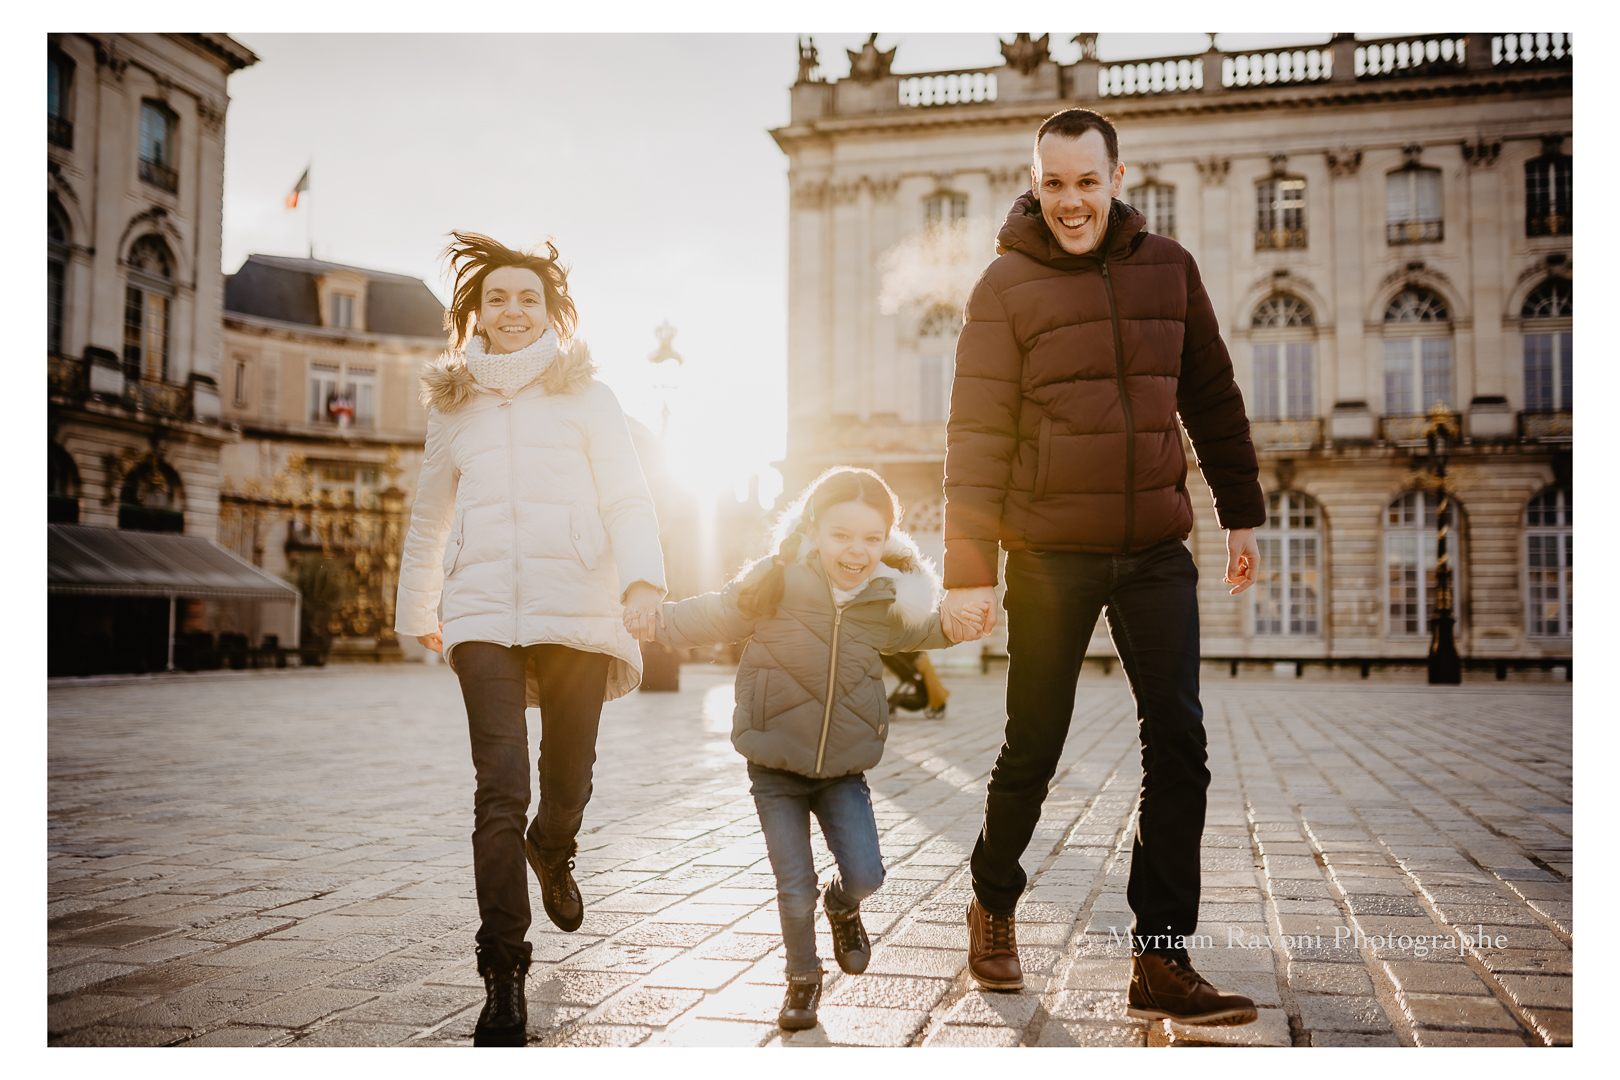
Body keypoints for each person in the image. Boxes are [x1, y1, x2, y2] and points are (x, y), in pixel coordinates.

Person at [940, 108, 1265, 1026]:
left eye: (1087, 181)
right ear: (1033, 182)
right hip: (1049, 551)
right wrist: (972, 565)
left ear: (1120, 178)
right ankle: (993, 905)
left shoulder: (1171, 270)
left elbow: (1210, 392)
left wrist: (1241, 512)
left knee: (1182, 745)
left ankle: (1160, 958)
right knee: (1033, 745)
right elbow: (976, 433)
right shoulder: (1003, 285)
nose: (1071, 201)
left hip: (1156, 547)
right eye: (1054, 183)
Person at [394, 233, 666, 1046]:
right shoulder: (453, 406)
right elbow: (429, 516)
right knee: (500, 784)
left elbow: (626, 495)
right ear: (474, 313)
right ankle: (503, 970)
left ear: (552, 313)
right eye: (497, 299)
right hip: (480, 615)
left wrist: (643, 579)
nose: (512, 312)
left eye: (529, 300)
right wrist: (419, 612)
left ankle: (558, 846)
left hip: (578, 603)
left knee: (568, 775)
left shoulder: (591, 398)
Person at [648, 467, 987, 1031]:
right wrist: (654, 621)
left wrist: (955, 625)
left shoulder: (883, 599)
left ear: (887, 542)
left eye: (871, 539)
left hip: (842, 771)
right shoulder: (775, 581)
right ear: (813, 528)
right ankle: (802, 980)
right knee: (793, 885)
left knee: (867, 873)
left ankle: (843, 905)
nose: (856, 550)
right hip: (774, 766)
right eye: (841, 535)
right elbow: (717, 611)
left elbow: (922, 631)